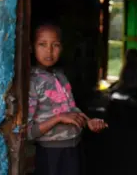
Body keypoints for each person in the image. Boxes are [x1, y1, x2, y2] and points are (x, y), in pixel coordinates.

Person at [27, 22, 108, 175]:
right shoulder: (32, 81)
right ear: (31, 47)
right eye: (42, 44)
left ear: (61, 48)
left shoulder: (60, 75)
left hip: (74, 147)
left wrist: (88, 121)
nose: (49, 51)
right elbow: (28, 132)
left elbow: (71, 110)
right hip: (51, 153)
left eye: (55, 45)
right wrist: (58, 118)